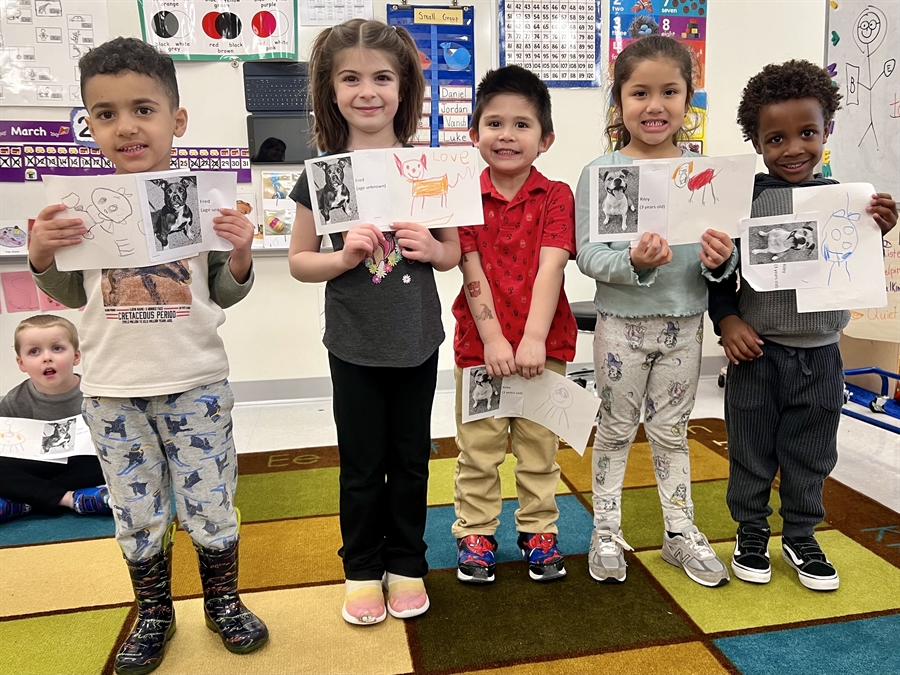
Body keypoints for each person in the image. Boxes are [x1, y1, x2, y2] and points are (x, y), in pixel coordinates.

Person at [28, 37, 268, 674]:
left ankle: (223, 602)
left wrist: (241, 255)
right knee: (136, 508)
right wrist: (42, 255)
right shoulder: (78, 208)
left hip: (195, 381)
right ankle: (155, 611)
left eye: (143, 109)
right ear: (89, 124)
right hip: (110, 388)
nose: (125, 126)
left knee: (211, 500)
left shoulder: (207, 201)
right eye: (105, 114)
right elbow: (68, 291)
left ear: (176, 120)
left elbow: (220, 289)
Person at [286, 19, 460, 625]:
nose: (368, 91)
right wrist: (342, 256)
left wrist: (430, 249)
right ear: (330, 91)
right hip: (354, 343)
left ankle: (407, 561)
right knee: (362, 463)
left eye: (383, 78)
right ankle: (361, 567)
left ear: (403, 88)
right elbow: (300, 263)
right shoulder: (322, 175)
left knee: (412, 459)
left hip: (417, 341)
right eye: (351, 78)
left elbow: (453, 251)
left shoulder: (427, 166)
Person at [709, 59, 897, 591]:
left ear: (827, 130)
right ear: (756, 142)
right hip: (757, 354)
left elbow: (847, 262)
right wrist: (726, 320)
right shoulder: (746, 201)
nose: (794, 148)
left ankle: (799, 533)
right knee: (749, 448)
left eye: (807, 133)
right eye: (776, 138)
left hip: (822, 354)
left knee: (812, 450)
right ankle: (750, 531)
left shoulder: (847, 200)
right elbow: (720, 272)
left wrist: (878, 227)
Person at [575, 36, 736, 588]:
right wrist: (634, 262)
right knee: (616, 428)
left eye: (670, 91)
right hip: (620, 325)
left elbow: (716, 260)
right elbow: (589, 255)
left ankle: (679, 533)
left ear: (689, 98)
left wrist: (720, 263)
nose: (655, 105)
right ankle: (605, 529)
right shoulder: (602, 172)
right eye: (639, 92)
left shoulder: (703, 175)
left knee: (672, 431)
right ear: (618, 101)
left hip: (685, 326)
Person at [451, 65, 576, 585]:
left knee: (538, 448)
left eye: (522, 125)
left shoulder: (556, 195)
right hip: (479, 347)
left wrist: (530, 340)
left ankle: (538, 530)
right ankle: (475, 532)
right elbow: (470, 266)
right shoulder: (460, 195)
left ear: (544, 139)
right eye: (494, 123)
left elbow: (552, 265)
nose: (507, 135)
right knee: (478, 449)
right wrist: (495, 338)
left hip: (544, 346)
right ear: (474, 133)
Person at [0, 315, 111, 522]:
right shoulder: (14, 401)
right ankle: (72, 499)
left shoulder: (95, 392)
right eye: (34, 351)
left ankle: (24, 500)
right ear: (21, 363)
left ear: (77, 356)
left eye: (57, 348)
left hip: (82, 465)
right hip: (38, 467)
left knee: (108, 461)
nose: (46, 357)